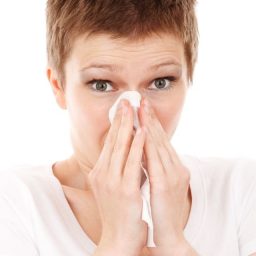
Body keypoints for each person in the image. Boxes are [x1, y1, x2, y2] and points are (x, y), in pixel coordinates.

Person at [0, 0, 256, 255]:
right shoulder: (16, 202)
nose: (132, 115)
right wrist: (117, 242)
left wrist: (172, 242)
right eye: (101, 84)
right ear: (59, 87)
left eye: (160, 82)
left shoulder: (240, 188)